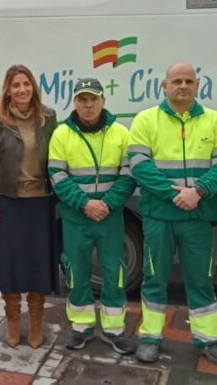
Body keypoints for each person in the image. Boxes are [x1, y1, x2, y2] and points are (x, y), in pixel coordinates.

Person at [129, 62, 217, 367]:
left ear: (198, 85)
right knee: (154, 277)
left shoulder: (216, 121)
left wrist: (198, 192)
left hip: (198, 217)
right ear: (164, 86)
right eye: (177, 80)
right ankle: (150, 337)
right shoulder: (146, 120)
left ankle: (207, 341)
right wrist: (176, 193)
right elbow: (139, 164)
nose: (183, 85)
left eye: (189, 80)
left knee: (201, 280)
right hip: (159, 216)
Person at [48, 78, 138, 355]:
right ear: (75, 102)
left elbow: (128, 174)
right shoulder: (61, 134)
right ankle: (81, 327)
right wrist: (85, 204)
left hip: (110, 218)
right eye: (82, 99)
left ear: (103, 101)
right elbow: (57, 176)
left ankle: (114, 330)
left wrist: (107, 204)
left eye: (93, 99)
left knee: (115, 273)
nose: (88, 105)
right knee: (77, 273)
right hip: (76, 218)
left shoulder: (121, 133)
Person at [0, 65, 58, 348]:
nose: (22, 90)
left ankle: (36, 322)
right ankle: (13, 320)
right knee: (10, 264)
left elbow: (58, 158)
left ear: (33, 87)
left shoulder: (48, 117)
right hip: (8, 203)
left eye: (26, 84)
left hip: (41, 202)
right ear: (8, 90)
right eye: (16, 85)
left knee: (38, 263)